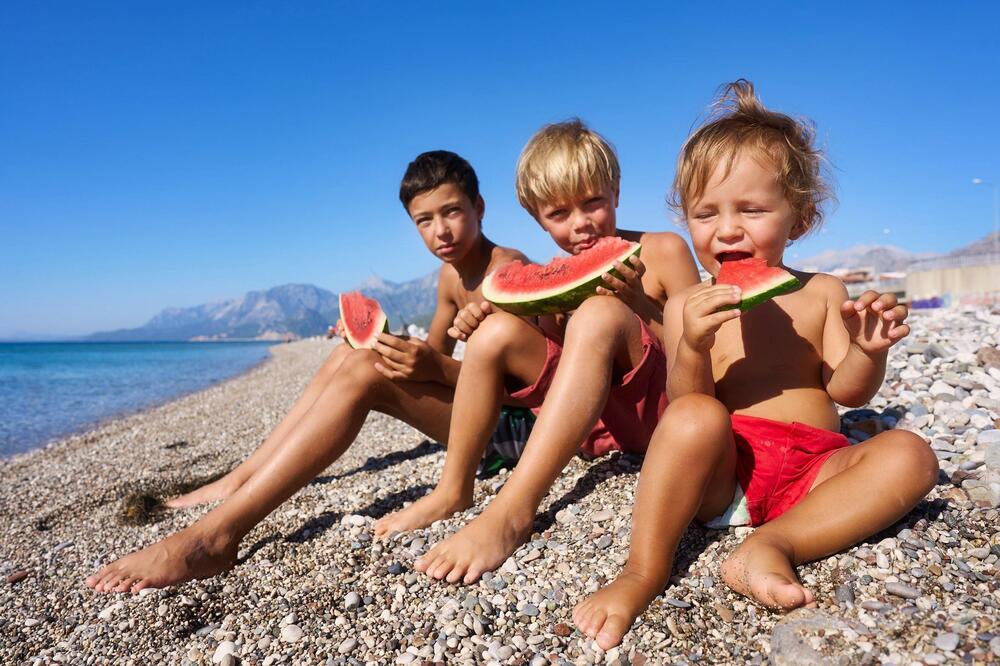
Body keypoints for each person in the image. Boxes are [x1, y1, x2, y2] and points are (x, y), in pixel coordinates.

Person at [573, 80, 939, 649]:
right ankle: (642, 570)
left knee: (909, 453)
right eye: (705, 214)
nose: (727, 229)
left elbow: (850, 393)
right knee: (694, 416)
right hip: (727, 473)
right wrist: (690, 342)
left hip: (816, 473)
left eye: (751, 209)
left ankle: (775, 544)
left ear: (801, 219)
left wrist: (868, 350)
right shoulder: (685, 302)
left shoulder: (822, 292)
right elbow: (688, 401)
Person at [85, 150, 530, 593]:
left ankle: (216, 536)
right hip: (480, 417)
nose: (440, 231)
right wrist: (388, 344)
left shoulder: (507, 270)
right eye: (424, 220)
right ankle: (242, 478)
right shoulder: (449, 276)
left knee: (361, 371)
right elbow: (433, 359)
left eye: (452, 211)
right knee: (348, 357)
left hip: (518, 430)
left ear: (480, 208)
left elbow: (530, 388)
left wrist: (430, 365)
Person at [373, 120, 701, 586]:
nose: (581, 224)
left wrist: (640, 305)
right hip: (589, 432)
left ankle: (513, 510)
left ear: (617, 192)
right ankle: (453, 488)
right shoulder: (551, 275)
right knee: (494, 334)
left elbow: (702, 353)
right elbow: (551, 364)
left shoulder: (664, 249)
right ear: (535, 216)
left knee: (599, 316)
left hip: (657, 419)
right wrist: (479, 323)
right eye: (558, 214)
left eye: (593, 202)